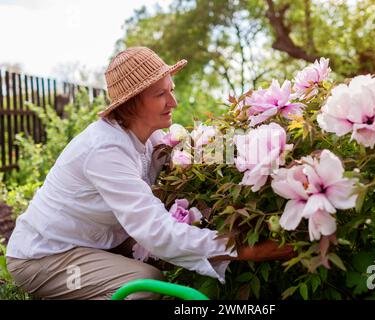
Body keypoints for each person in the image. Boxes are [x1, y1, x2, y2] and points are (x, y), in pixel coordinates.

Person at [5, 47, 293, 300]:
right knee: (144, 283)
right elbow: (155, 231)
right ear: (131, 104)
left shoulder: (151, 139)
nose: (174, 103)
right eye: (160, 94)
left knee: (169, 261)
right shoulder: (106, 151)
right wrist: (243, 250)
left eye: (172, 90)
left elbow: (209, 153)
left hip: (94, 244)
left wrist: (275, 140)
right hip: (44, 258)